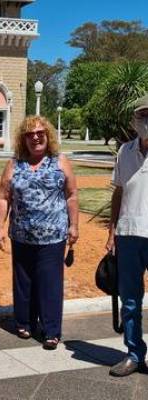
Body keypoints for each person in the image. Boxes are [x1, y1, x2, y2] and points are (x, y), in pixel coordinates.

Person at [0, 115, 79, 351]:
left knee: (49, 282)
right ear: (23, 140)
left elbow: (71, 195)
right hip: (21, 234)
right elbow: (3, 197)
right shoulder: (14, 164)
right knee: (24, 281)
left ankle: (51, 330)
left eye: (40, 133)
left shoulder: (59, 161)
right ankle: (24, 322)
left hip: (53, 236)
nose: (35, 138)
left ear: (48, 135)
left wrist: (75, 225)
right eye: (29, 135)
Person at [107, 94, 148, 377]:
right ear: (135, 121)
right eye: (142, 116)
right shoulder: (125, 152)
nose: (146, 122)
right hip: (129, 233)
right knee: (130, 299)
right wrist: (112, 231)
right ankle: (134, 354)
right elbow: (118, 191)